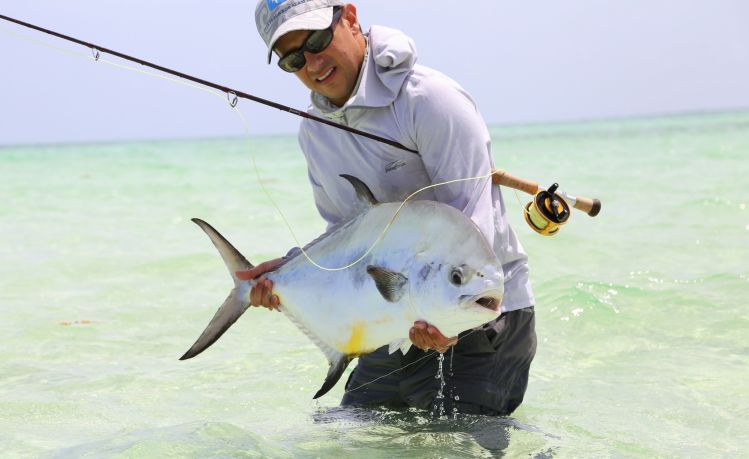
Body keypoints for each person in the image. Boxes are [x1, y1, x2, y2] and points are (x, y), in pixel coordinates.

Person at [241, 0, 536, 416]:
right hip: (395, 321)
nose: (313, 62)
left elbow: (473, 229)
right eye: (293, 58)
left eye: (319, 39)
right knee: (345, 438)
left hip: (477, 312)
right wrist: (290, 273)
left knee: (461, 446)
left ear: (349, 17)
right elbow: (349, 239)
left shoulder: (431, 100)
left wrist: (447, 323)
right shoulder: (315, 133)